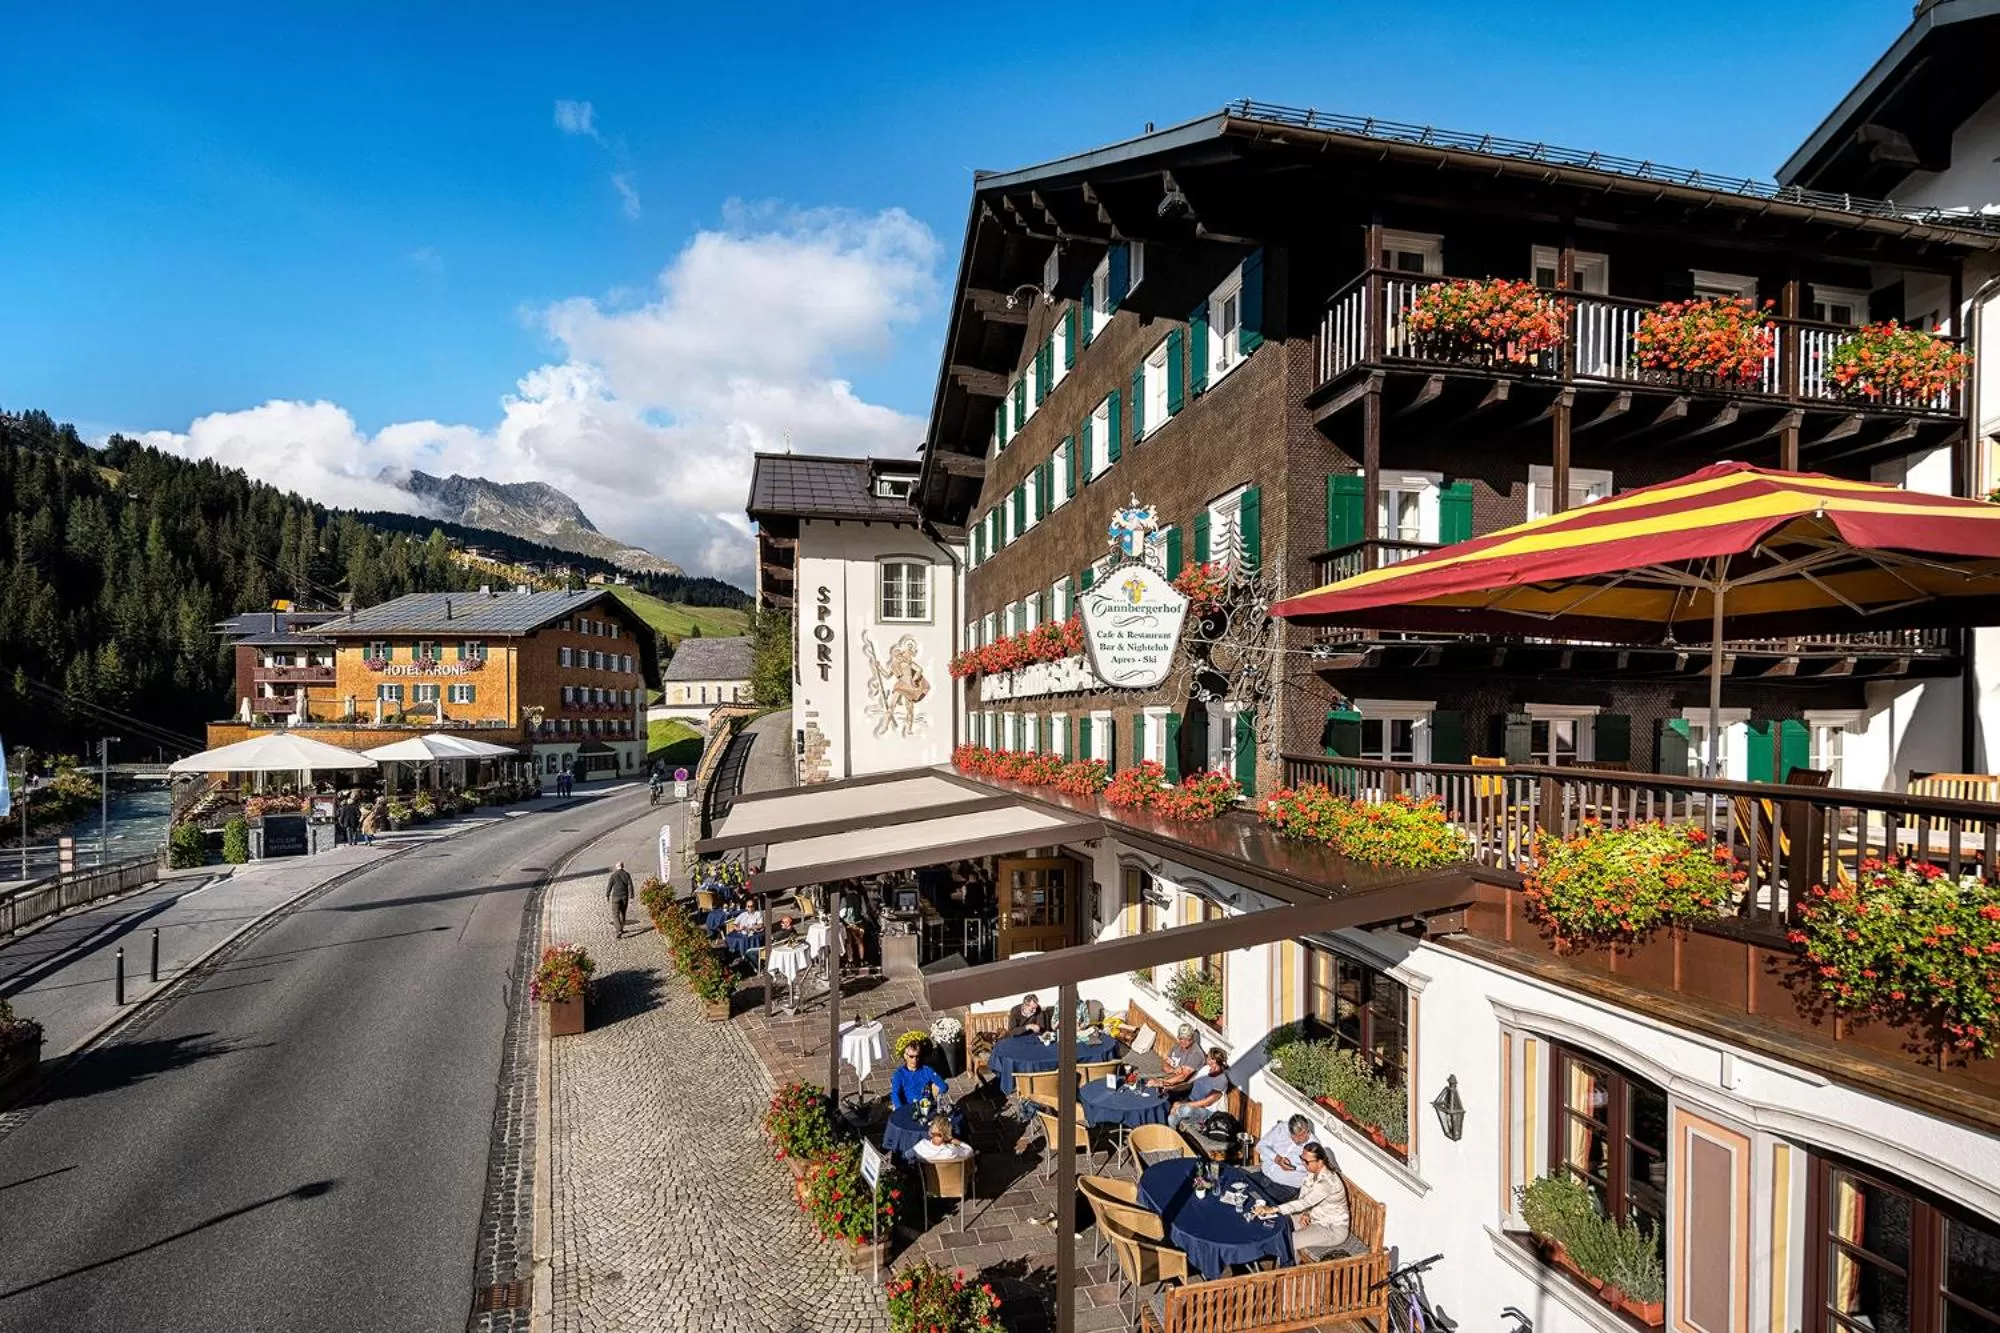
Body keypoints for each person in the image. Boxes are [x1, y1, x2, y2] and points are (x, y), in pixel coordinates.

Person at [1253, 1143, 1351, 1256]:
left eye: (1307, 1161)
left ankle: (1287, 1270)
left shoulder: (1326, 1183)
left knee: (1289, 1241)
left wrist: (1274, 1209)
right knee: (1278, 1224)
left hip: (1331, 1228)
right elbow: (1305, 1197)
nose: (1303, 1163)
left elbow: (1305, 1202)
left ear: (1320, 1162)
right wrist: (1306, 1213)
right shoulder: (1312, 1173)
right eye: (1302, 1158)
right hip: (1314, 1218)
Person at [1254, 1113, 1317, 1203]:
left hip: (1285, 1187)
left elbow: (1314, 1169)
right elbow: (1260, 1146)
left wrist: (1294, 1167)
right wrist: (1277, 1158)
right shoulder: (1281, 1128)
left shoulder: (1314, 1145)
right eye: (1293, 1137)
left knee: (1259, 1204)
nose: (1296, 1140)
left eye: (1300, 1136)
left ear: (1306, 1130)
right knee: (1239, 1187)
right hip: (1263, 1175)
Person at [1168, 1048, 1232, 1132]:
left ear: (1214, 1061)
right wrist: (1171, 1088)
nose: (1206, 1057)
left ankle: (1191, 1123)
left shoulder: (1221, 1080)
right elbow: (1189, 1084)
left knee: (1185, 1110)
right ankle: (1172, 1133)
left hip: (1206, 1110)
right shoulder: (1205, 1069)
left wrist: (1180, 1105)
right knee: (1171, 1117)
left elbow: (1206, 1102)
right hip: (1191, 1101)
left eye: (1208, 1056)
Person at [1147, 1025, 1203, 1096]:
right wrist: (1174, 1070)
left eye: (1187, 1039)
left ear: (1192, 1038)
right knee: (1144, 1084)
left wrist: (1161, 1082)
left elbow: (1183, 1077)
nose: (1184, 1041)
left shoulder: (1195, 1054)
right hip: (1167, 1079)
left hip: (1179, 1088)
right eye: (1181, 1038)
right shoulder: (1177, 1047)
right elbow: (1164, 1065)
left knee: (1151, 1092)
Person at [890, 1043, 949, 1111]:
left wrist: (938, 1092)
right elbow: (895, 1095)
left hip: (927, 1107)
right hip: (909, 1108)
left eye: (917, 1056)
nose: (914, 1060)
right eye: (911, 1056)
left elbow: (943, 1086)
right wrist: (901, 1111)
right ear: (905, 1056)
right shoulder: (899, 1074)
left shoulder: (926, 1070)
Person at [605, 860, 634, 936]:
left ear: (616, 867)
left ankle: (618, 930)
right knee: (623, 913)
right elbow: (630, 886)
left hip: (615, 897)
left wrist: (607, 895)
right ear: (623, 866)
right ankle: (621, 928)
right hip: (624, 896)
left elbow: (609, 886)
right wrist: (631, 897)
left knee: (615, 914)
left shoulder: (613, 875)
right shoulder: (627, 874)